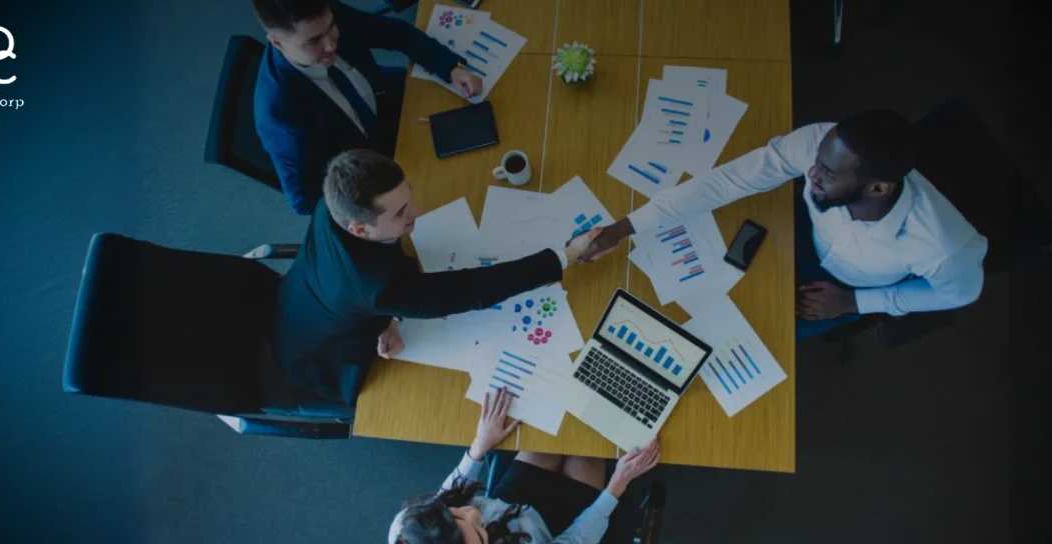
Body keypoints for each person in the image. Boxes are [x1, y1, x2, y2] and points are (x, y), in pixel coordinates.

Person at [580, 109, 988, 341]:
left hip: (846, 287)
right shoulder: (820, 145)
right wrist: (622, 229)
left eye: (827, 172)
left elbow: (960, 295)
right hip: (801, 234)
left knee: (751, 339)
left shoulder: (942, 246)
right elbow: (727, 181)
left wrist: (855, 304)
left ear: (877, 187)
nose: (810, 174)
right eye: (817, 161)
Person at [273, 149, 602, 406]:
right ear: (358, 229)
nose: (415, 210)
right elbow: (473, 290)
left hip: (303, 292)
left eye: (408, 197)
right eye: (401, 212)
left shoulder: (332, 204)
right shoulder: (382, 287)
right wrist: (567, 255)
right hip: (319, 355)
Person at [252, 0, 484, 215]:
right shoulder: (280, 114)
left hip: (390, 101)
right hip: (378, 167)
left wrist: (451, 67)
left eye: (331, 28)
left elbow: (395, 33)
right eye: (313, 41)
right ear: (277, 42)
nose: (331, 45)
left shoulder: (325, 15)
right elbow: (305, 201)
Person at [389, 387, 662, 544]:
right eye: (478, 534)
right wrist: (617, 485)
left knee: (554, 426)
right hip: (552, 532)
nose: (473, 513)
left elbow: (448, 492)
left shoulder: (410, 529)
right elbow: (576, 538)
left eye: (455, 514)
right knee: (589, 442)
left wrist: (479, 446)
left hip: (512, 506)